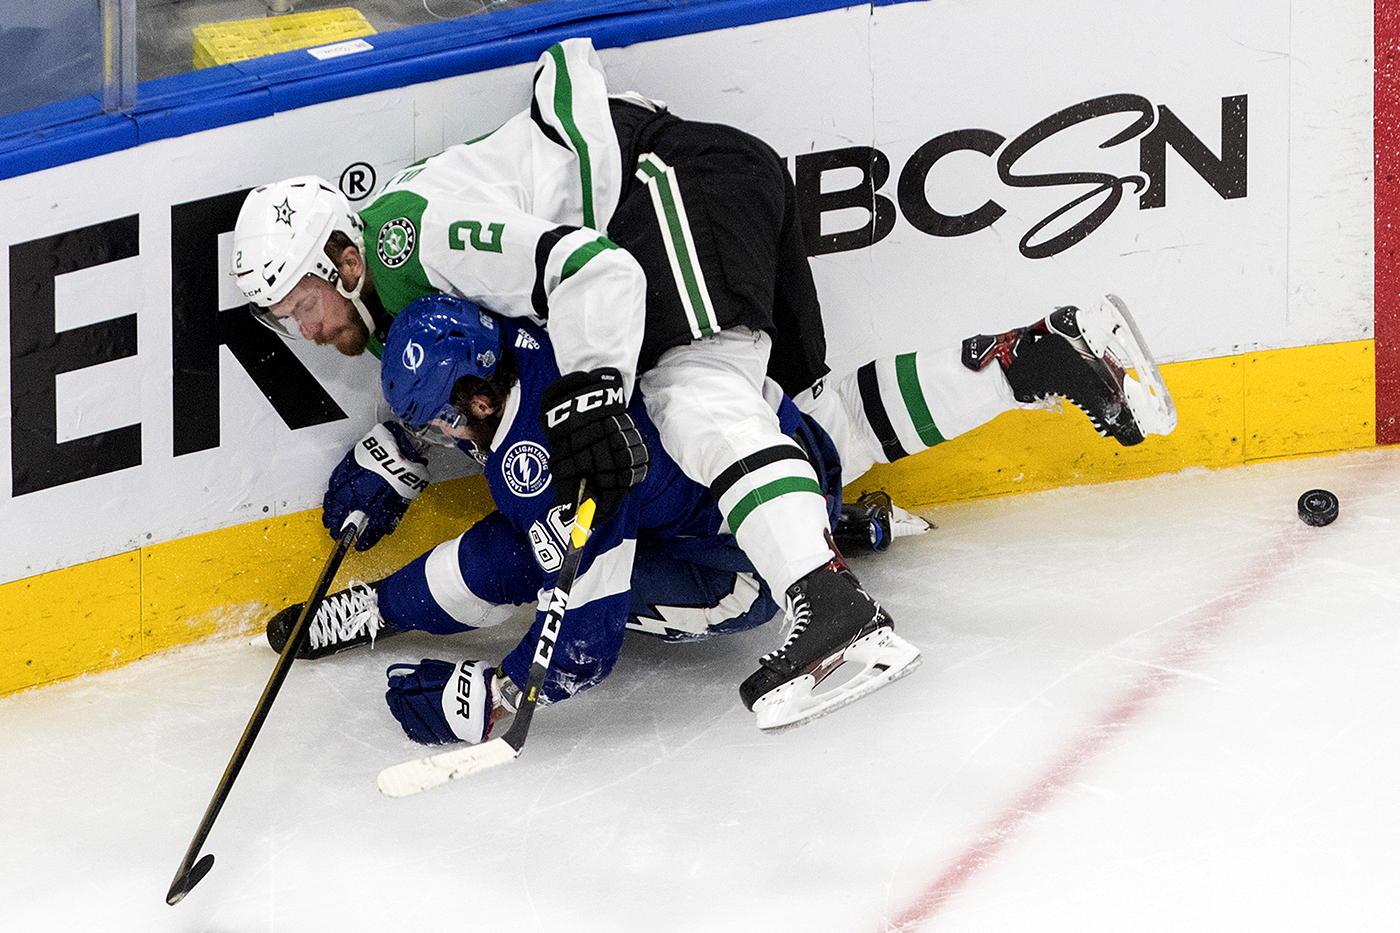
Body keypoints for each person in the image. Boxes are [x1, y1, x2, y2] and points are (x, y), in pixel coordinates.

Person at [232, 37, 1176, 726]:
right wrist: (401, 447)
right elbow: (497, 353)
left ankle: (833, 607)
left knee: (691, 396)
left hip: (669, 189)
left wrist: (598, 392)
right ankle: (1038, 355)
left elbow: (595, 273)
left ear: (339, 250)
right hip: (705, 184)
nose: (304, 330)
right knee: (810, 424)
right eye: (283, 321)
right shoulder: (401, 279)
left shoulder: (412, 237)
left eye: (299, 302)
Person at [265, 290, 1175, 742]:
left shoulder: (540, 465)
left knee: (530, 559)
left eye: (432, 422)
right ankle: (1020, 360)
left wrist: (499, 698)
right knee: (829, 429)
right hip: (761, 434)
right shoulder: (536, 333)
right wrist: (400, 455)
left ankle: (809, 560)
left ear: (469, 395)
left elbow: (581, 648)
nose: (435, 438)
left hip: (728, 572)